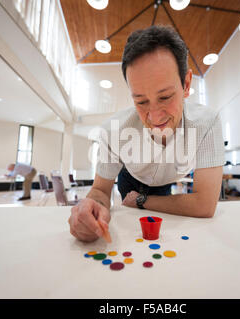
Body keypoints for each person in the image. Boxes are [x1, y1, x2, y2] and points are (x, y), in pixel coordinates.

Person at [68, 26, 225, 242]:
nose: (154, 116)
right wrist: (93, 205)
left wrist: (143, 200)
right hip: (129, 178)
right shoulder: (113, 130)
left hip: (165, 184)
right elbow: (100, 191)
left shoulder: (207, 123)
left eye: (165, 97)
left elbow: (205, 205)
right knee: (131, 231)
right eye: (141, 101)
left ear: (186, 84)